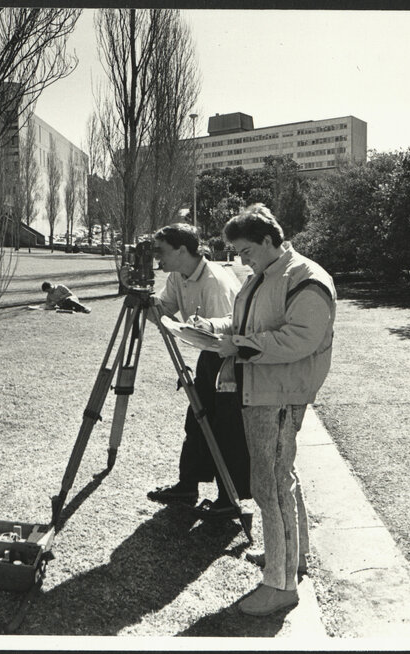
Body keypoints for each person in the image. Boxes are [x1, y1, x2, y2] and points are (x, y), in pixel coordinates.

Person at [194, 204, 336, 616]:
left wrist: (239, 346)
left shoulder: (306, 277)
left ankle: (280, 584)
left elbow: (301, 339)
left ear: (269, 240)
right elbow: (248, 324)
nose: (241, 260)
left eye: (246, 251)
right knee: (280, 478)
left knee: (269, 486)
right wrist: (213, 328)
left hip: (278, 393)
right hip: (265, 389)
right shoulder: (268, 273)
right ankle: (292, 559)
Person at [145, 223, 251, 518]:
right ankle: (188, 485)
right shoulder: (178, 275)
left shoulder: (213, 281)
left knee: (224, 427)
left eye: (161, 251)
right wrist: (142, 297)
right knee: (196, 420)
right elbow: (163, 312)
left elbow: (225, 332)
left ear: (181, 250)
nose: (157, 257)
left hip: (229, 358)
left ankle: (228, 498)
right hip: (209, 354)